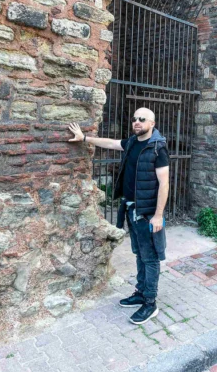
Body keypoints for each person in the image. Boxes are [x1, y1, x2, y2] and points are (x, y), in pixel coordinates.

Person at [68, 107, 169, 325]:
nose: (137, 122)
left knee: (150, 257)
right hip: (132, 208)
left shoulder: (157, 148)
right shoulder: (133, 142)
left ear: (152, 123)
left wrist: (158, 215)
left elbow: (164, 183)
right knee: (140, 254)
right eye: (134, 118)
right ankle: (141, 292)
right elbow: (112, 143)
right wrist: (85, 138)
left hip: (148, 212)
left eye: (142, 119)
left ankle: (150, 303)